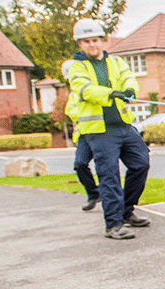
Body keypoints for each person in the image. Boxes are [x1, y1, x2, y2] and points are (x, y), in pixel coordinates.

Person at [66, 19, 151, 239]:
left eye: (95, 40)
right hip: (99, 130)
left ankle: (126, 210)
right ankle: (113, 224)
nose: (92, 45)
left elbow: (128, 77)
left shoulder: (116, 62)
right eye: (86, 41)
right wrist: (110, 93)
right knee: (109, 175)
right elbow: (83, 89)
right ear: (79, 43)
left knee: (141, 163)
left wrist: (130, 89)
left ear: (103, 40)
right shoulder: (77, 67)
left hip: (123, 124)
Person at [62, 59, 100, 211]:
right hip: (84, 134)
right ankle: (93, 194)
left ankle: (113, 198)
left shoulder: (94, 87)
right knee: (80, 164)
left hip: (100, 131)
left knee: (105, 167)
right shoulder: (74, 94)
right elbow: (70, 111)